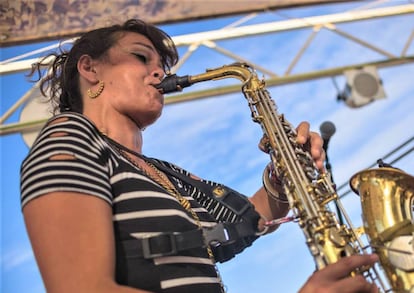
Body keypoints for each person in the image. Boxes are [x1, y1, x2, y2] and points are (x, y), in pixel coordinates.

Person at [20, 19, 379, 293]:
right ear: (90, 68)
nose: (160, 71)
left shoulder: (163, 173)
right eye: (141, 57)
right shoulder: (69, 136)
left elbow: (247, 219)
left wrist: (283, 175)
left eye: (162, 64)